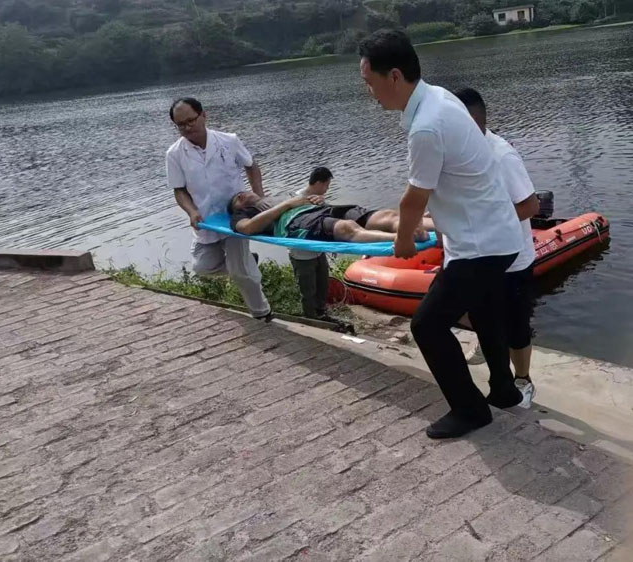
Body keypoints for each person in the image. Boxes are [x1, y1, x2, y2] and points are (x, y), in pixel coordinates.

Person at [359, 29, 525, 439]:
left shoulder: (427, 126)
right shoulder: (438, 98)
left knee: (427, 326)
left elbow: (414, 198)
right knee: (484, 312)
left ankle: (470, 410)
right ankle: (504, 391)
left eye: (369, 82)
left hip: (480, 245)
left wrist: (403, 241)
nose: (369, 92)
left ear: (394, 76)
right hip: (496, 235)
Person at [454, 88, 539, 408]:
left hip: (512, 259)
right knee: (477, 312)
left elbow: (530, 205)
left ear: (473, 122)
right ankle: (491, 352)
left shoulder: (502, 156)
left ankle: (523, 381)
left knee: (517, 326)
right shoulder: (462, 153)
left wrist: (486, 223)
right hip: (480, 255)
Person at [166, 98, 271, 321]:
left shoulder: (228, 141)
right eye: (181, 125)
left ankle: (262, 314)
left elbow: (251, 165)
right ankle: (248, 262)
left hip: (235, 215)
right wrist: (191, 211)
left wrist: (258, 196)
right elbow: (179, 190)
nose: (187, 128)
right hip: (206, 219)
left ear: (203, 115)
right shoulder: (174, 154)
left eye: (191, 121)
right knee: (202, 267)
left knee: (241, 272)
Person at [228, 190, 424, 244]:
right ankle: (401, 238)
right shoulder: (243, 213)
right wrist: (287, 205)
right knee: (346, 227)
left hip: (320, 209)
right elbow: (247, 228)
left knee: (386, 216)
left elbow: (303, 197)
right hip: (295, 222)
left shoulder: (273, 197)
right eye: (237, 199)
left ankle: (424, 227)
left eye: (241, 192)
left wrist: (314, 198)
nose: (241, 195)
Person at [288, 167, 333, 320]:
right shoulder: (294, 199)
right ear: (319, 183)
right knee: (308, 290)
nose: (327, 190)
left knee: (323, 285)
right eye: (326, 185)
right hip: (302, 255)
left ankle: (322, 313)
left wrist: (324, 205)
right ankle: (310, 319)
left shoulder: (319, 200)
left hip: (318, 251)